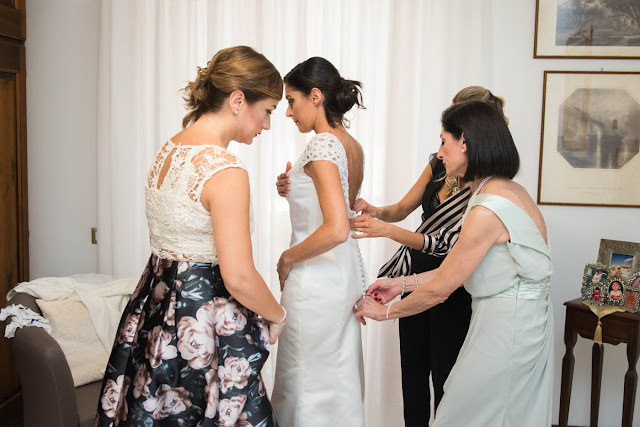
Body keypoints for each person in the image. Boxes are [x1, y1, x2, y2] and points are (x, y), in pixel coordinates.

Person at [95, 46, 286, 427]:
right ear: (237, 100)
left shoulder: (169, 150)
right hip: (200, 322)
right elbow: (239, 276)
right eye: (267, 111)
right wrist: (278, 314)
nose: (266, 125)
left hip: (154, 306)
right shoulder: (225, 171)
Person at [355, 101, 554, 426]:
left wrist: (384, 312)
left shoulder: (487, 209)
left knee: (465, 414)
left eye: (443, 141)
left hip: (508, 331)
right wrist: (400, 283)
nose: (439, 153)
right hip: (513, 321)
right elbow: (457, 271)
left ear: (464, 142)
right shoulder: (506, 190)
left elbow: (441, 289)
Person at [270, 57, 366, 427]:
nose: (288, 112)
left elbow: (337, 227)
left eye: (291, 101)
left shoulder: (322, 145)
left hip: (315, 281)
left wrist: (287, 257)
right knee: (336, 384)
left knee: (305, 385)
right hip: (342, 277)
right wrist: (294, 188)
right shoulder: (350, 145)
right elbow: (339, 206)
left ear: (315, 96)